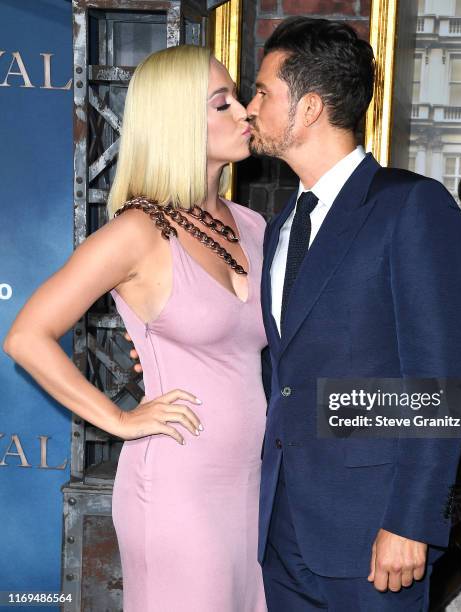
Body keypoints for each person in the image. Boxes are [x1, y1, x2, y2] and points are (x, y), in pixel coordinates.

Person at [3, 45, 268, 612]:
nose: (245, 112)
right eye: (223, 104)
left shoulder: (251, 226)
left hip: (253, 481)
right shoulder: (137, 233)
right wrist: (119, 419)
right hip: (178, 485)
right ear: (177, 122)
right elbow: (26, 335)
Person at [246, 17, 461, 611]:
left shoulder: (411, 207)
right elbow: (290, 373)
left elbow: (442, 385)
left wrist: (415, 522)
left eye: (264, 92)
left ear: (311, 107)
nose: (251, 107)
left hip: (376, 533)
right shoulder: (280, 228)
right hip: (283, 528)